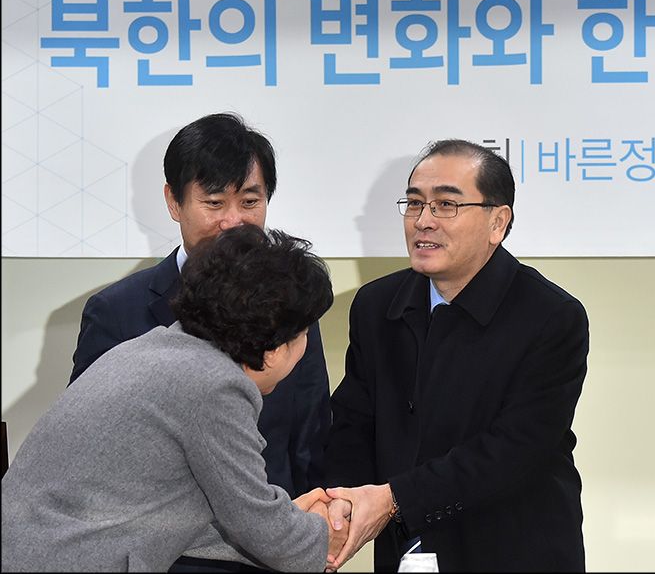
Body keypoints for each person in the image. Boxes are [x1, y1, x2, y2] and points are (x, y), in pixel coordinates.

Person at [68, 112, 332, 571]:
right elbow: (91, 456)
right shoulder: (116, 312)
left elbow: (309, 442)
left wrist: (314, 538)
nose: (233, 222)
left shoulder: (291, 305)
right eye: (214, 202)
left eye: (249, 201)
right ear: (174, 202)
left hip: (273, 553)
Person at [2, 225, 349, 572]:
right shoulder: (214, 385)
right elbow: (262, 528)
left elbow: (183, 521)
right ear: (274, 348)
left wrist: (292, 521)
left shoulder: (156, 347)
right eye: (304, 333)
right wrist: (329, 533)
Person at [323, 139, 589, 571]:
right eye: (414, 203)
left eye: (446, 205)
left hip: (514, 550)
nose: (423, 221)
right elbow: (353, 423)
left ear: (497, 222)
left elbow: (513, 450)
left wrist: (393, 500)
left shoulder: (551, 316)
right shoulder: (376, 306)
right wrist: (341, 501)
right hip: (408, 552)